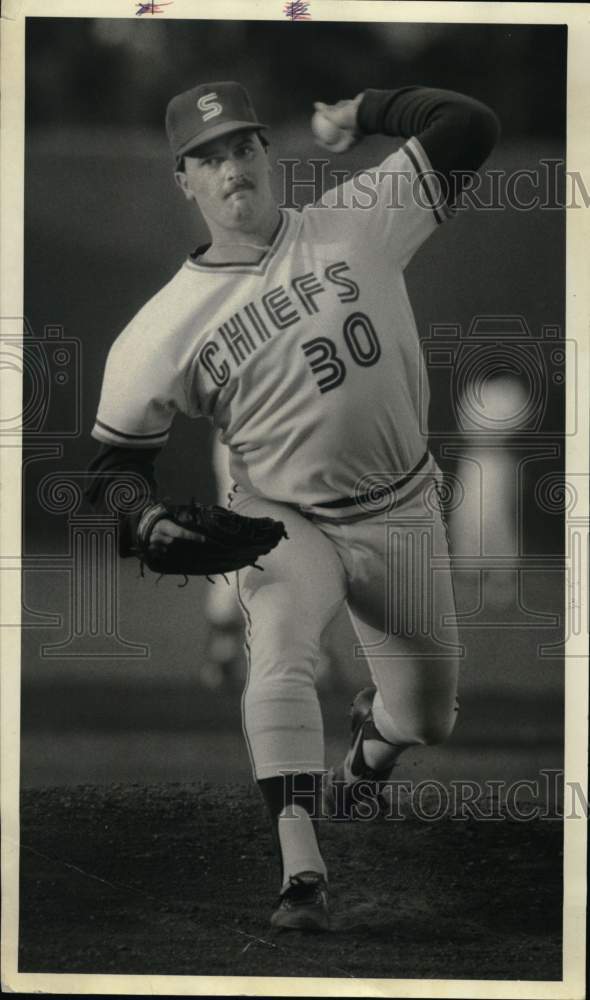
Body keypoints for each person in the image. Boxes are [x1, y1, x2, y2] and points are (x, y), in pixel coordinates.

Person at [86, 79, 499, 931]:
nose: (229, 166)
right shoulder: (161, 329)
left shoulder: (356, 218)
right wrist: (146, 519)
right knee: (278, 653)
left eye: (241, 146)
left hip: (402, 509)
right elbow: (115, 470)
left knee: (428, 716)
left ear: (266, 156)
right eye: (207, 157)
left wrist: (365, 110)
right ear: (184, 181)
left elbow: (468, 126)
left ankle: (372, 746)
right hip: (285, 521)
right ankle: (300, 867)